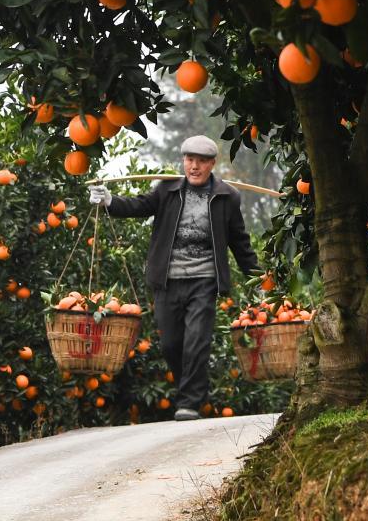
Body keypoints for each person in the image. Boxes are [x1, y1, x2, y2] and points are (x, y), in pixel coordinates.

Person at [88, 135, 260, 421]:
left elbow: (240, 242)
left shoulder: (227, 197)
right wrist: (108, 201)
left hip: (204, 279)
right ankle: (189, 388)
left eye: (201, 161)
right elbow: (138, 206)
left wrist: (258, 281)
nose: (194, 167)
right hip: (167, 280)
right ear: (183, 161)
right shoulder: (167, 189)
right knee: (171, 344)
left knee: (197, 340)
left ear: (212, 164)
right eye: (190, 160)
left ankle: (190, 402)